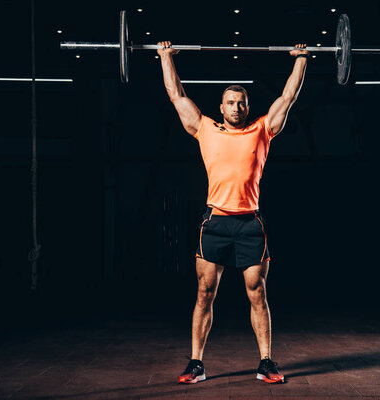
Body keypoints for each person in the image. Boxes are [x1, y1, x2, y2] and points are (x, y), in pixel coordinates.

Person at [157, 40, 308, 384]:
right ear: (221, 106)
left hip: (249, 223)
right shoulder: (205, 128)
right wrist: (166, 57)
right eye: (230, 102)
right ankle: (196, 363)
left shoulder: (262, 130)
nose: (236, 107)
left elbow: (288, 98)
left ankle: (266, 361)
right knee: (204, 292)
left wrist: (300, 60)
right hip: (215, 223)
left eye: (241, 102)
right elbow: (177, 96)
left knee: (257, 292)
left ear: (247, 105)